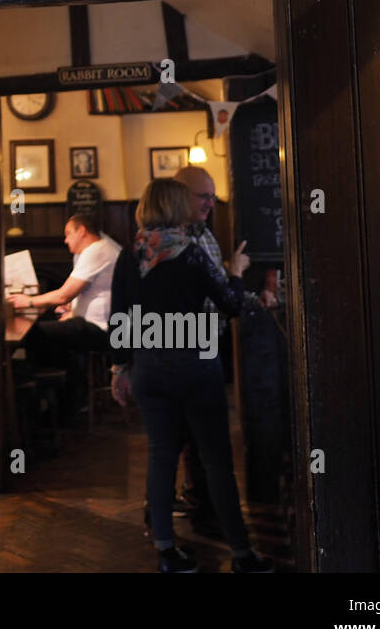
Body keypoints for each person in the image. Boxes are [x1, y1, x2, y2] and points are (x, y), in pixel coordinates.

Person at [109, 179, 273, 573]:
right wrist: (236, 270)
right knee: (215, 459)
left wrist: (120, 369)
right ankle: (241, 553)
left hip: (148, 365)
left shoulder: (131, 255)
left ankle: (167, 552)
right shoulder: (191, 254)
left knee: (161, 456)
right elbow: (231, 304)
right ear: (176, 208)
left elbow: (118, 315)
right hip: (194, 362)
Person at [171, 165, 277, 536]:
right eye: (203, 196)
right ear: (179, 195)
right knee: (192, 433)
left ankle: (200, 504)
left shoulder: (205, 235)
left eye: (212, 196)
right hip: (185, 348)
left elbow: (220, 295)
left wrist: (252, 298)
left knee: (198, 433)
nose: (210, 203)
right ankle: (197, 513)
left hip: (205, 344)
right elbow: (208, 298)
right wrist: (235, 273)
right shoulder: (173, 240)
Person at [11, 213, 120, 366]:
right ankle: (66, 382)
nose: (65, 240)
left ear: (81, 231)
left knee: (32, 333)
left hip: (101, 329)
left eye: (68, 234)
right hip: (96, 324)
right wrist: (71, 309)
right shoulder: (96, 250)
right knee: (45, 325)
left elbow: (63, 295)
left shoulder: (97, 251)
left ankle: (47, 384)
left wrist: (28, 301)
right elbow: (83, 291)